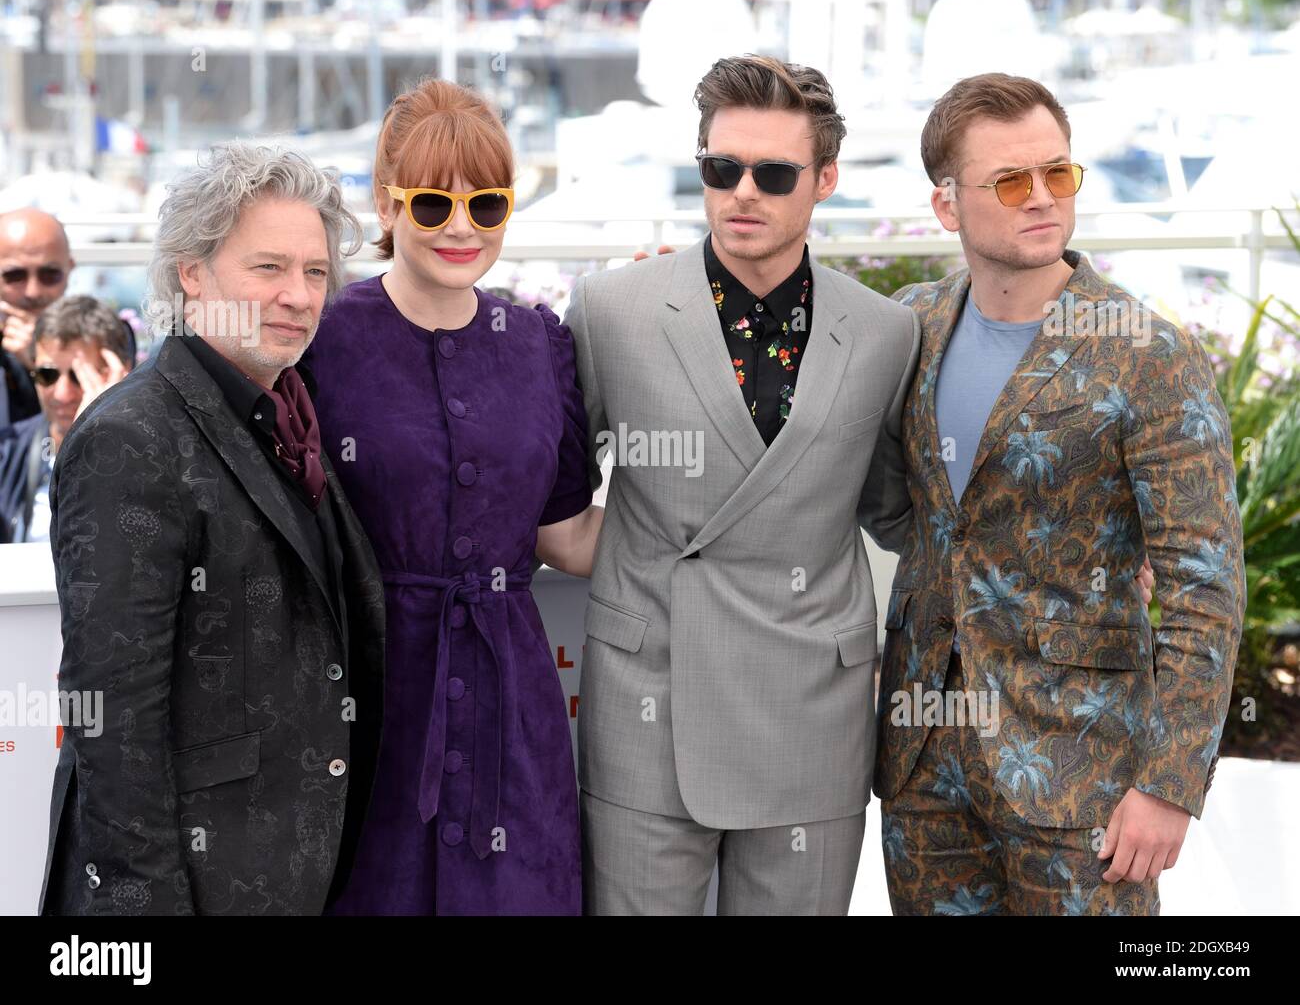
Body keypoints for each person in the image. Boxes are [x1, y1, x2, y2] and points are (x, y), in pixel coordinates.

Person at [875, 73, 1245, 915]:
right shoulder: (911, 326)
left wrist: (1170, 783)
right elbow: (882, 497)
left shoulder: (1147, 352)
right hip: (924, 771)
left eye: (1059, 174)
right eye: (1009, 182)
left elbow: (1204, 584)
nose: (1041, 198)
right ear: (947, 207)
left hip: (1085, 779)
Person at [567, 55, 919, 915]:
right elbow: (551, 493)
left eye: (773, 173)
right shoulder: (611, 310)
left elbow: (896, 511)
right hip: (651, 700)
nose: (742, 193)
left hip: (811, 712)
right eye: (721, 170)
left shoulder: (885, 332)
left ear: (825, 179)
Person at [39, 143, 387, 915]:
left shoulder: (289, 418)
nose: (298, 295)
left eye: (316, 272)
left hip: (288, 870)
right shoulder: (133, 436)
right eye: (268, 268)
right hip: (183, 889)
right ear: (192, 273)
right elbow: (110, 716)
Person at [303, 78, 600, 916]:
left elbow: (567, 534)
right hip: (367, 700)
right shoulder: (322, 338)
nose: (462, 227)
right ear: (388, 206)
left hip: (515, 714)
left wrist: (722, 536)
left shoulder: (541, 342)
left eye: (489, 203)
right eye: (433, 204)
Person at [0, 295, 132, 544]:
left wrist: (100, 433)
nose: (62, 394)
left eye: (78, 376)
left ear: (118, 371)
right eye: (47, 374)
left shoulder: (150, 455)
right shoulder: (7, 451)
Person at [0, 208, 76, 429]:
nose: (32, 292)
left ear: (69, 269)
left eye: (49, 275)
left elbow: (94, 432)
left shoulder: (99, 334)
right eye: (15, 276)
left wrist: (40, 361)